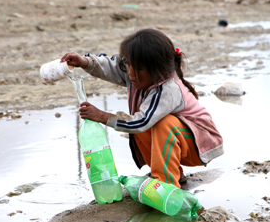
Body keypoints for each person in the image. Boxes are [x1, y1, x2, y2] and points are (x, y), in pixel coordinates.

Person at [61, 28, 223, 188]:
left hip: (199, 142)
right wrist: (84, 62)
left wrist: (103, 116)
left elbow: (140, 122)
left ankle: (166, 184)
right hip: (181, 141)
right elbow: (111, 66)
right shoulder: (136, 73)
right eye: (129, 65)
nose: (130, 73)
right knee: (145, 122)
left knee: (160, 123)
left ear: (158, 69)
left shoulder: (167, 89)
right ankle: (171, 173)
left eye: (138, 68)